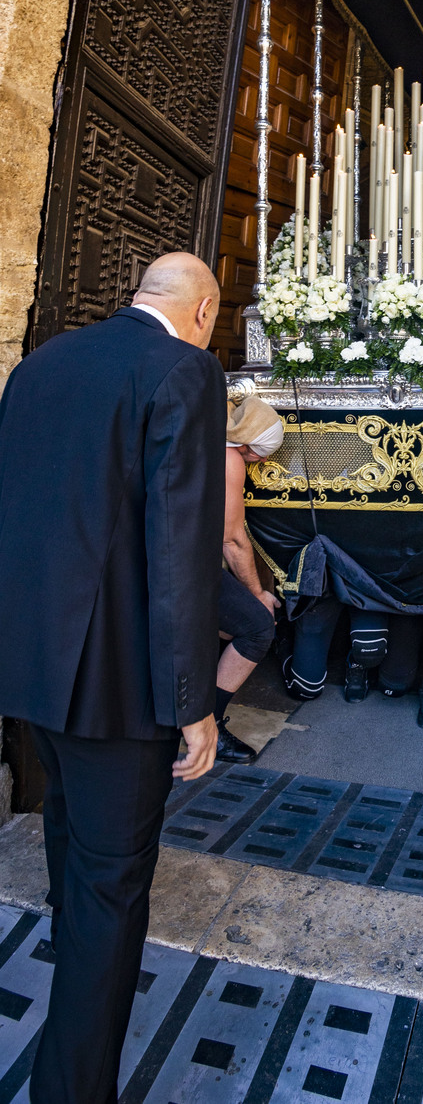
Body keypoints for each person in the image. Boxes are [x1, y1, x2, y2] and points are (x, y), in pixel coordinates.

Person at [0, 252, 225, 1104]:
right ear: (202, 310)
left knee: (71, 839)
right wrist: (193, 703)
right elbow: (179, 550)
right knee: (109, 889)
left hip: (30, 662)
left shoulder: (42, 361)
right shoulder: (184, 369)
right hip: (117, 685)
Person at [215, 395, 284, 763]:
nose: (263, 462)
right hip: (183, 566)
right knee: (257, 627)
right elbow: (232, 538)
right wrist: (257, 592)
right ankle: (208, 727)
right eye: (260, 454)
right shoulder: (228, 459)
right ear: (245, 444)